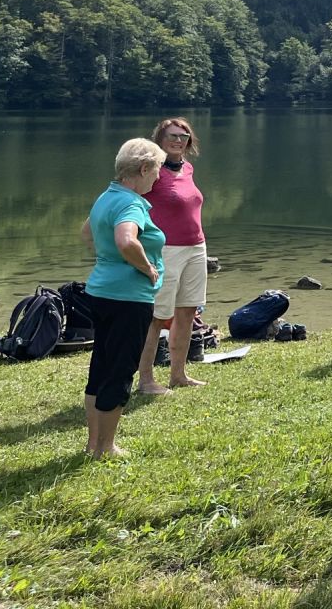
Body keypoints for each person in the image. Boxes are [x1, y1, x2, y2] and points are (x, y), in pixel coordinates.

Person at [80, 138, 166, 457]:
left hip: (100, 291)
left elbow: (87, 233)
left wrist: (109, 262)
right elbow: (126, 241)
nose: (158, 178)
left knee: (100, 366)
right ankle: (106, 447)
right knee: (119, 372)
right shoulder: (130, 203)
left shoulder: (107, 196)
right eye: (156, 170)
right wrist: (148, 269)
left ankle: (93, 444)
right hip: (128, 299)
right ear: (143, 169)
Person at [137, 117, 208, 394]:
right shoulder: (151, 171)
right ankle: (146, 380)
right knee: (157, 316)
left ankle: (178, 375)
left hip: (196, 248)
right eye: (173, 135)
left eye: (184, 136)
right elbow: (134, 203)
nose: (178, 140)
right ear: (159, 139)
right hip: (165, 251)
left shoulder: (187, 168)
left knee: (188, 311)